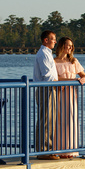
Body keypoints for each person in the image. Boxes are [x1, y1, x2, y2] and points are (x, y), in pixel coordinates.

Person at [54, 37, 85, 158]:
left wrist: (82, 79)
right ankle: (58, 150)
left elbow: (84, 75)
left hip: (71, 94)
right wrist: (71, 80)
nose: (70, 48)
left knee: (70, 121)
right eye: (68, 45)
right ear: (62, 46)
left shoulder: (73, 61)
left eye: (71, 46)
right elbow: (55, 78)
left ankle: (70, 151)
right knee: (59, 121)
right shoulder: (54, 62)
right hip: (59, 93)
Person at [33, 30, 60, 160]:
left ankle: (47, 149)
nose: (55, 41)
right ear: (46, 40)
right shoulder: (43, 54)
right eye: (53, 39)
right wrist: (60, 83)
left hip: (49, 88)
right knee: (46, 120)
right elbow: (48, 76)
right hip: (46, 89)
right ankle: (44, 151)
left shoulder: (47, 54)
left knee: (49, 119)